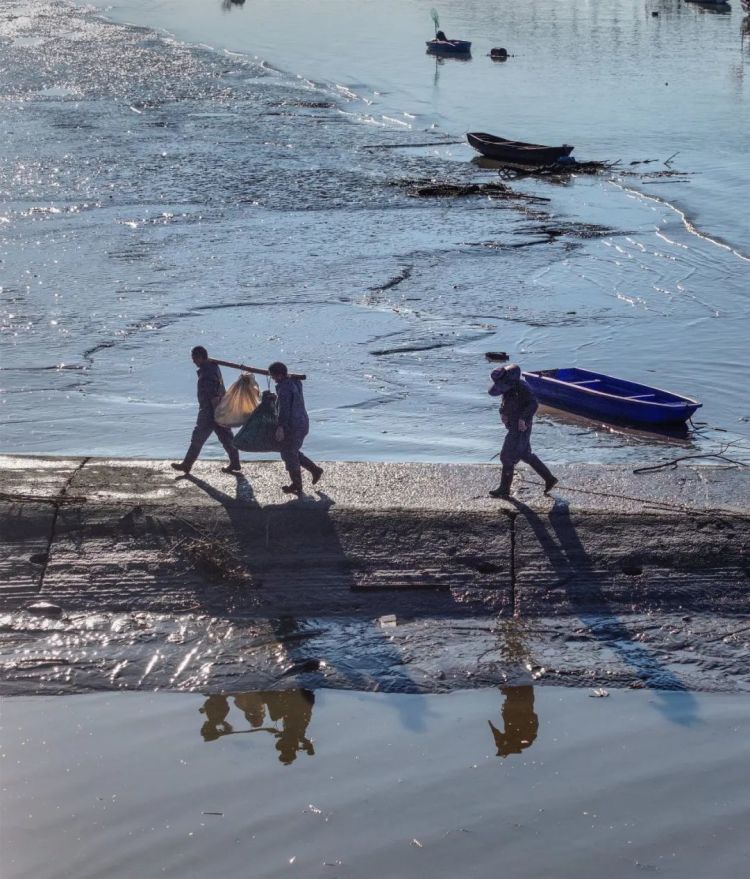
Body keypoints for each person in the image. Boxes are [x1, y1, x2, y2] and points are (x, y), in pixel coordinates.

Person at [488, 363, 557, 499]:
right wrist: (503, 413)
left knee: (506, 457)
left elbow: (534, 404)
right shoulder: (508, 388)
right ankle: (549, 478)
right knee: (525, 454)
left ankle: (504, 489)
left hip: (521, 428)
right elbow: (504, 402)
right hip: (512, 424)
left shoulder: (523, 387)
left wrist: (523, 419)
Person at [171, 346, 242, 475]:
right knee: (226, 438)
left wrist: (217, 415)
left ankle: (187, 465)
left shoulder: (207, 373)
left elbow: (213, 396)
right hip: (219, 409)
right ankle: (235, 462)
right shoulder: (214, 367)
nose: (193, 361)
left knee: (198, 438)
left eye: (195, 358)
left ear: (202, 357)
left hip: (210, 412)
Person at [269, 361, 323, 495]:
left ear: (280, 375)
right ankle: (314, 470)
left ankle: (297, 484)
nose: (272, 379)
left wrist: (280, 427)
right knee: (291, 451)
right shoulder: (295, 382)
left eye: (273, 376)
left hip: (293, 425)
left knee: (288, 453)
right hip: (302, 422)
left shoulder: (284, 388)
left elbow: (285, 409)